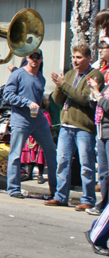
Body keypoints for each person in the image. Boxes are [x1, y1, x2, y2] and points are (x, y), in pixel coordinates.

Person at [45, 45, 104, 210]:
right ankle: (60, 196)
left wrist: (64, 85)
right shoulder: (70, 75)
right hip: (66, 126)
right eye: (73, 57)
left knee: (86, 165)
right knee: (62, 162)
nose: (75, 60)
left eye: (78, 57)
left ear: (88, 59)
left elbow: (84, 98)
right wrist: (58, 85)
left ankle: (88, 199)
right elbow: (58, 100)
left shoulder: (94, 75)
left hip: (83, 127)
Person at [2, 50, 58, 199]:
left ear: (41, 59)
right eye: (31, 56)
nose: (34, 59)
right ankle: (13, 189)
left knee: (51, 152)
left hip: (38, 120)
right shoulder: (18, 74)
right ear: (27, 58)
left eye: (37, 57)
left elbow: (39, 100)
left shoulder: (41, 78)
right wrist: (26, 102)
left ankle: (55, 189)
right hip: (21, 120)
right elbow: (7, 95)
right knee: (15, 155)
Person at [88, 38, 109, 216]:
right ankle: (104, 203)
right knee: (103, 172)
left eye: (104, 47)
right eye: (99, 47)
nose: (101, 50)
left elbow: (107, 104)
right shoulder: (103, 71)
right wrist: (93, 93)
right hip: (102, 128)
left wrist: (97, 94)